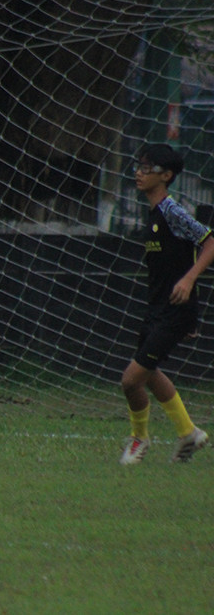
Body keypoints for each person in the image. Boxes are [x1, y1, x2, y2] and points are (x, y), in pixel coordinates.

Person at [119, 143, 213, 465]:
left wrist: (189, 282)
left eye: (148, 168)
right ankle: (188, 433)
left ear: (167, 175)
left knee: (130, 380)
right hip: (159, 307)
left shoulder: (173, 212)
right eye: (139, 166)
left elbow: (210, 241)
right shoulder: (153, 212)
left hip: (173, 310)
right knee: (150, 373)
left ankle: (139, 439)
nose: (139, 172)